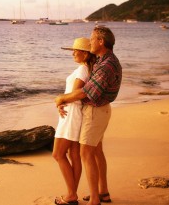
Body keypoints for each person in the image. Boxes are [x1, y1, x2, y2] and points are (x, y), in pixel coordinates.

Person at [55, 26, 122, 205]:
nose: (90, 41)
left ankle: (94, 200)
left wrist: (61, 98)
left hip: (95, 111)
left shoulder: (106, 65)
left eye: (92, 39)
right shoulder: (103, 60)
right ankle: (103, 192)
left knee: (86, 153)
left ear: (101, 42)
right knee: (97, 152)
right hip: (100, 110)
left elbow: (87, 93)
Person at [52, 37, 96, 205]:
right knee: (74, 154)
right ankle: (72, 194)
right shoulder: (85, 69)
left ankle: (71, 195)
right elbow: (75, 95)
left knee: (58, 154)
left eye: (75, 50)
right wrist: (62, 102)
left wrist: (60, 101)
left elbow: (77, 94)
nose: (73, 53)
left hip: (70, 114)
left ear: (85, 53)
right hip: (73, 112)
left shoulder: (83, 70)